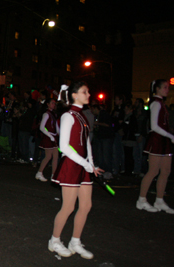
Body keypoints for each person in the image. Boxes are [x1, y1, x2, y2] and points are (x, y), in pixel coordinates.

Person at [49, 82, 103, 259]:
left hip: (83, 165)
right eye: (84, 92)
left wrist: (91, 164)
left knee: (86, 205)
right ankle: (54, 241)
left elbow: (87, 142)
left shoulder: (82, 116)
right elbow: (64, 146)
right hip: (72, 165)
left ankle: (75, 241)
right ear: (74, 95)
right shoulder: (68, 116)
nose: (88, 94)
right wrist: (85, 164)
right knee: (68, 207)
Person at [137, 79, 174, 214]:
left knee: (165, 171)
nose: (167, 90)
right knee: (153, 171)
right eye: (164, 87)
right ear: (157, 89)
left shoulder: (162, 104)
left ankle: (159, 200)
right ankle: (141, 200)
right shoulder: (156, 104)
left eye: (168, 87)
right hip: (157, 140)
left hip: (164, 141)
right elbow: (154, 127)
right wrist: (171, 136)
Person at [36, 98, 59, 181]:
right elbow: (42, 127)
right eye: (52, 103)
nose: (54, 104)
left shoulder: (54, 114)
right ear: (48, 104)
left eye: (54, 103)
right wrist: (50, 136)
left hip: (54, 136)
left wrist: (59, 134)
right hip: (49, 137)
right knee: (48, 156)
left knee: (56, 157)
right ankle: (39, 172)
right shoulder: (46, 114)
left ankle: (54, 175)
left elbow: (56, 127)